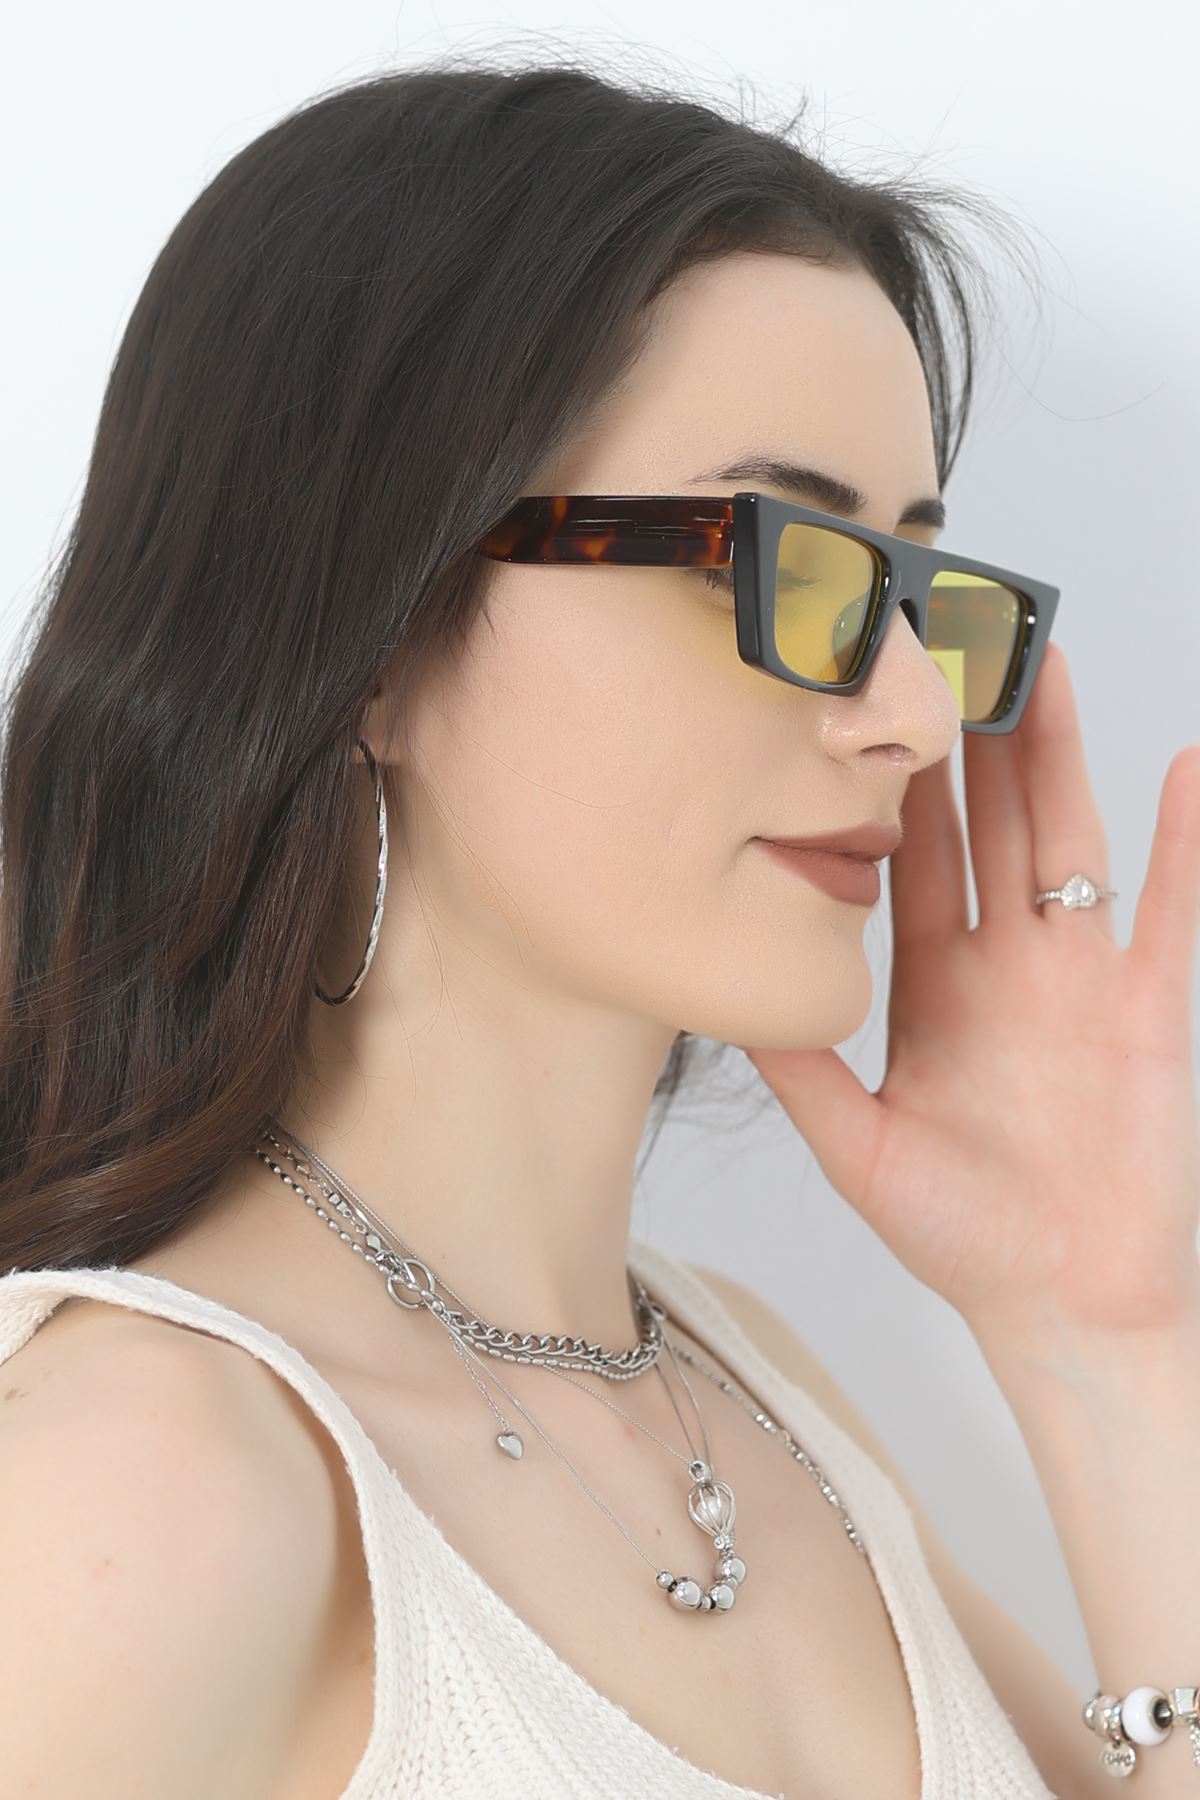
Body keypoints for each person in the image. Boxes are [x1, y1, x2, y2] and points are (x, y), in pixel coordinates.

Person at [0, 60, 1130, 1800]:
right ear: (370, 630)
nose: (915, 714)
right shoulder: (148, 1481)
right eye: (782, 564)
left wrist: (1101, 1330)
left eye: (915, 588)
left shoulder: (756, 1388)